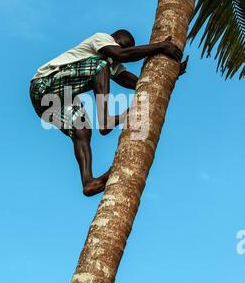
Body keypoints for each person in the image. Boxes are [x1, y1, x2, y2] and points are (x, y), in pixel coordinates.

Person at [30, 30, 187, 196]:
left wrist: (170, 75)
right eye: (121, 47)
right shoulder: (101, 39)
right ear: (115, 39)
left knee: (82, 128)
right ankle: (105, 120)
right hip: (43, 85)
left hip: (49, 104)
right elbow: (120, 54)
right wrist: (160, 46)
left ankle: (88, 182)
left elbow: (136, 82)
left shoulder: (110, 62)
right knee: (100, 67)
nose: (118, 55)